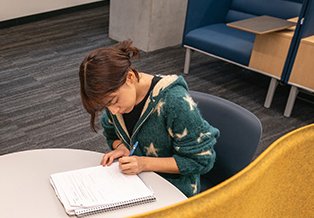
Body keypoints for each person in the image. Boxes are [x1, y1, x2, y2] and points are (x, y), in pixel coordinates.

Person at [78, 40, 219, 197]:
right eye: (106, 106)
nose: (113, 110)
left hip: (174, 190)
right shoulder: (118, 103)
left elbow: (201, 160)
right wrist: (121, 147)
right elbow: (111, 132)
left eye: (114, 101)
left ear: (130, 77)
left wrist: (144, 163)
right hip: (137, 183)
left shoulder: (174, 101)